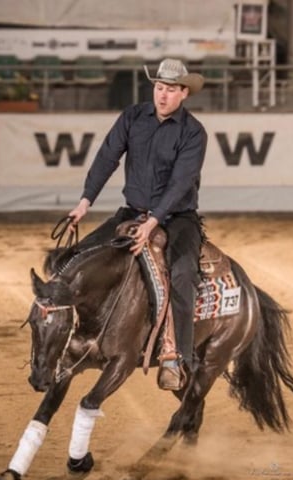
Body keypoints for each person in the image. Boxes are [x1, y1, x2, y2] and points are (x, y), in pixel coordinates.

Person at [68, 58, 208, 390]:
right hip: (131, 211)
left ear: (184, 93)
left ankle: (178, 358)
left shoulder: (193, 133)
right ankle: (80, 332)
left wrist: (154, 221)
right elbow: (107, 157)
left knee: (183, 272)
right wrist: (85, 200)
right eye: (159, 88)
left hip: (177, 218)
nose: (162, 95)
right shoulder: (133, 117)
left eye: (170, 90)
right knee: (79, 257)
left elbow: (180, 183)